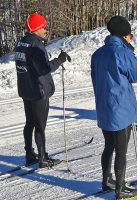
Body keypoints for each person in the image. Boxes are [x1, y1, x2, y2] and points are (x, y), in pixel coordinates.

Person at [91, 16, 137, 199]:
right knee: (121, 150)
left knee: (109, 145)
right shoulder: (122, 52)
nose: (131, 39)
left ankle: (106, 182)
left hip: (104, 108)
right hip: (120, 109)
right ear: (124, 36)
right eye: (130, 36)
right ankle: (120, 189)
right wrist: (131, 54)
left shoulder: (98, 54)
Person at [15, 13, 69, 168]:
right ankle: (42, 158)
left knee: (30, 123)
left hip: (26, 90)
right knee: (40, 126)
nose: (46, 29)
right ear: (37, 29)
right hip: (38, 91)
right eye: (43, 27)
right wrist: (59, 60)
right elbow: (44, 69)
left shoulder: (22, 42)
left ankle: (29, 153)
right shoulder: (36, 45)